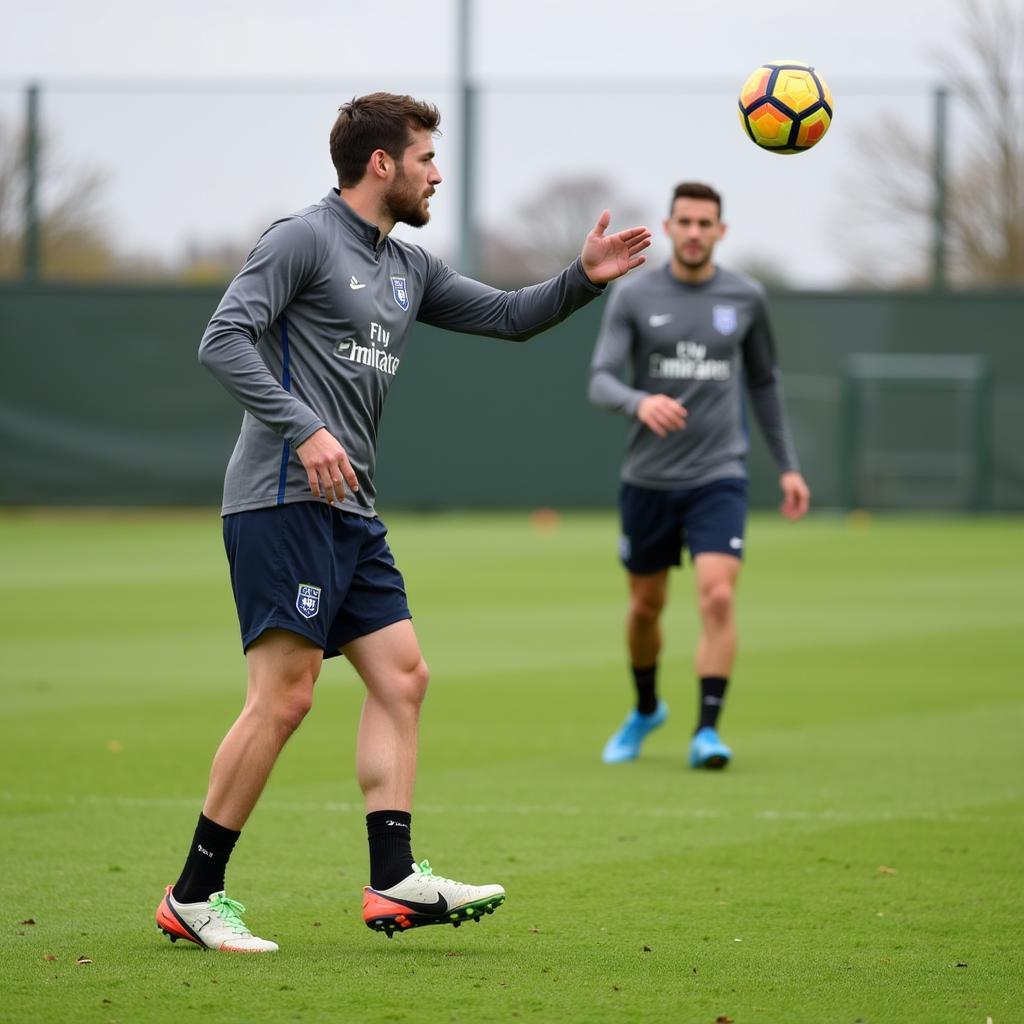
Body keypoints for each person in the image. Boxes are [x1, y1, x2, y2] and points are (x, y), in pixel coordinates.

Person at [154, 92, 651, 953]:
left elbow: (506, 317)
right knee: (285, 698)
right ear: (381, 162)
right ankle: (193, 895)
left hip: (350, 509)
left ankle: (393, 881)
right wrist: (304, 428)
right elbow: (222, 339)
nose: (436, 172)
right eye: (426, 157)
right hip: (281, 498)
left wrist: (582, 280)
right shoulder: (301, 237)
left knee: (403, 678)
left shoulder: (408, 265)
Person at [588, 181, 809, 771]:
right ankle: (645, 708)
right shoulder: (634, 295)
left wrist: (788, 467)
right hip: (648, 479)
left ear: (720, 231)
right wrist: (639, 402)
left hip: (718, 475)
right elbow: (601, 378)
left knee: (716, 593)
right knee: (645, 609)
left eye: (704, 223)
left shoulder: (746, 297)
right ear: (668, 226)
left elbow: (764, 383)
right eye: (683, 222)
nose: (693, 232)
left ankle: (707, 731)